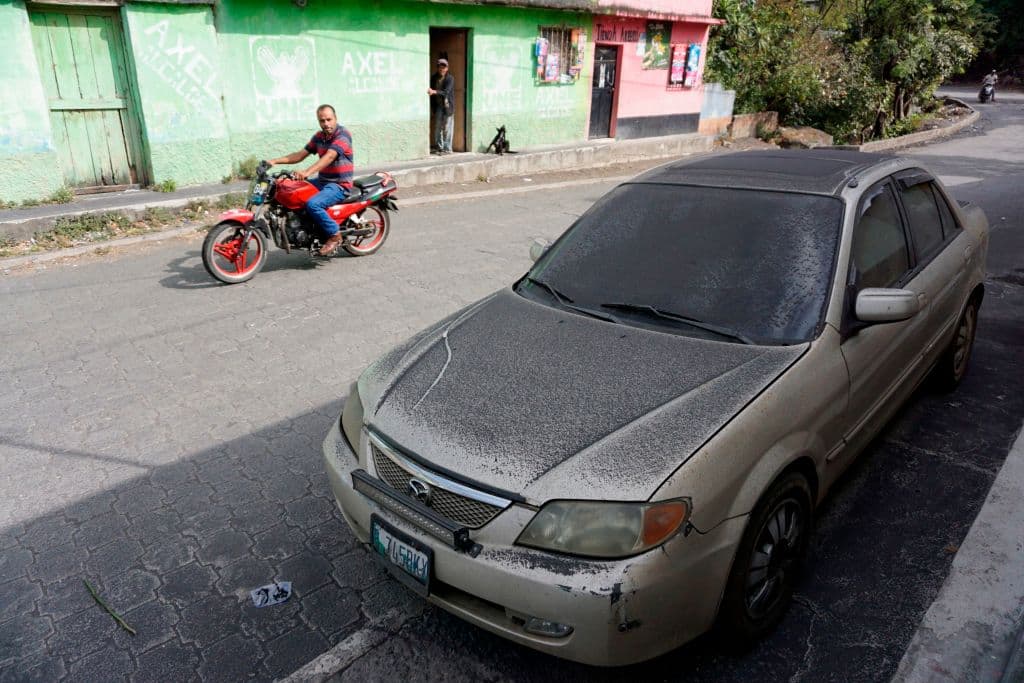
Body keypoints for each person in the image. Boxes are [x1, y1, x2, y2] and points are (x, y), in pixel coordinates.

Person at [267, 104, 354, 255]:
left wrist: (307, 172)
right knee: (291, 191)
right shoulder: (319, 137)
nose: (326, 124)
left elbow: (330, 156)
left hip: (339, 185)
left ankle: (334, 235)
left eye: (329, 119)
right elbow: (300, 155)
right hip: (322, 181)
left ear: (335, 118)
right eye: (322, 121)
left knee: (313, 204)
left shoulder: (343, 135)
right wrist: (274, 161)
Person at [427, 58, 454, 155]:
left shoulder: (450, 78)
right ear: (437, 67)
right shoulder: (434, 78)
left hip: (447, 107)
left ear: (447, 68)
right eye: (440, 66)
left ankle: (447, 149)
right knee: (437, 127)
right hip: (438, 106)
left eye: (444, 66)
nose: (442, 68)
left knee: (447, 128)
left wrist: (434, 91)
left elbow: (446, 92)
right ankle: (439, 147)